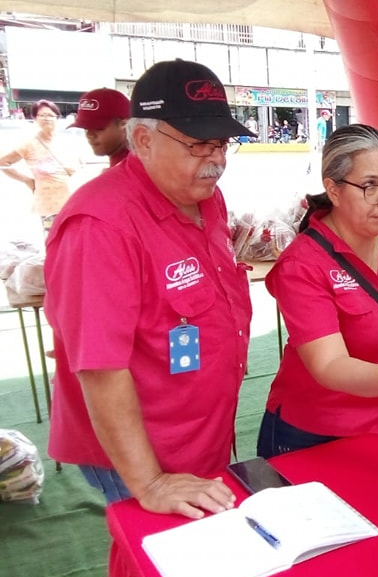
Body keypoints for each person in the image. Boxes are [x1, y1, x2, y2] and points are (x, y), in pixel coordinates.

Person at [43, 58, 257, 518]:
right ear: (142, 139)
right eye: (200, 145)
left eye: (222, 144)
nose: (217, 160)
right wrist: (151, 481)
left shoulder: (205, 199)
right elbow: (100, 368)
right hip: (140, 456)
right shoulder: (101, 225)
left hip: (197, 436)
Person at [257, 124, 378, 457]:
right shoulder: (302, 264)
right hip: (317, 436)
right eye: (370, 186)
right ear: (333, 189)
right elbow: (330, 365)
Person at [0, 99, 83, 232]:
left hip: (73, 201)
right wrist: (27, 180)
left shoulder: (66, 141)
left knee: (74, 241)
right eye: (42, 115)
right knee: (53, 240)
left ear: (57, 117)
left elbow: (80, 166)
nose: (47, 119)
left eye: (51, 115)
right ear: (35, 118)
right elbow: (3, 162)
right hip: (49, 204)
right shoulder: (28, 144)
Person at [68, 87, 131, 167]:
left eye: (98, 128)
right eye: (85, 128)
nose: (89, 135)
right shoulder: (127, 163)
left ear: (123, 124)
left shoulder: (131, 169)